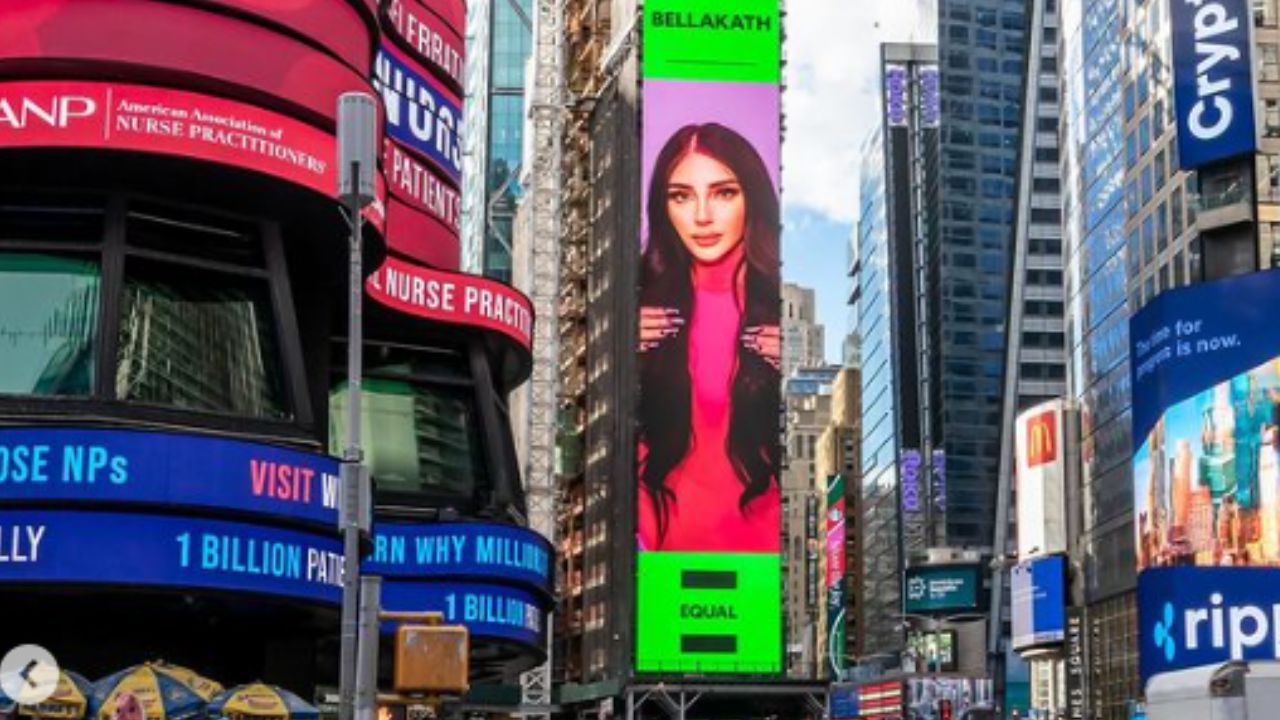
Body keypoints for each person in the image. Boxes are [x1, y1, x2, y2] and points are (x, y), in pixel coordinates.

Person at [636, 122, 781, 553]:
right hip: (661, 550)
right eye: (681, 196)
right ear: (664, 207)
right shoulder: (640, 306)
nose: (702, 215)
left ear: (751, 197)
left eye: (723, 193)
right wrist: (622, 359)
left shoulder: (777, 313)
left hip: (758, 559)